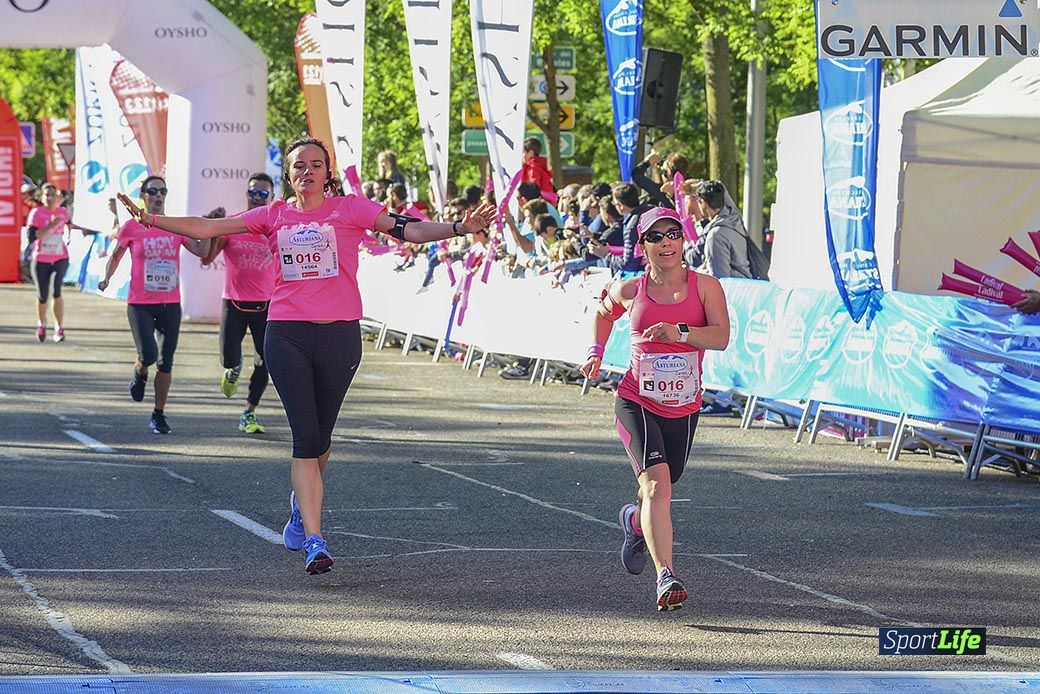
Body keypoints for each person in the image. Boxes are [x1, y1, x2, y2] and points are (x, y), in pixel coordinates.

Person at [116, 137, 495, 576]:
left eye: (316, 164)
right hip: (287, 333)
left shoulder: (351, 209)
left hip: (340, 335)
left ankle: (299, 510)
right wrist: (152, 218)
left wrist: (460, 229)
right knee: (304, 437)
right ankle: (315, 540)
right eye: (299, 165)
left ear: (327, 172)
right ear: (289, 175)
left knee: (322, 439)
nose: (307, 171)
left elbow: (408, 228)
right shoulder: (273, 215)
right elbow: (206, 229)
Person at [579, 207, 730, 612]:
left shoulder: (706, 288)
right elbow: (602, 311)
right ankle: (666, 576)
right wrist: (595, 353)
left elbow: (720, 337)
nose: (666, 242)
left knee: (663, 485)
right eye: (656, 237)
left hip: (682, 405)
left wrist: (679, 332)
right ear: (643, 246)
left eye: (672, 234)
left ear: (683, 240)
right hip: (636, 399)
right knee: (657, 486)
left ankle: (633, 521)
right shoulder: (631, 290)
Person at [98, 176, 209, 434]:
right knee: (148, 354)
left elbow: (202, 251)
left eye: (163, 192)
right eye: (153, 191)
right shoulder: (131, 227)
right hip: (140, 304)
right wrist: (106, 278)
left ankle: (158, 414)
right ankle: (140, 369)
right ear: (143, 195)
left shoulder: (174, 226)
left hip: (170, 304)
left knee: (165, 361)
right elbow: (116, 255)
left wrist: (213, 229)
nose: (158, 196)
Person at [200, 173, 277, 435]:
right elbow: (207, 259)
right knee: (228, 359)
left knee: (266, 361)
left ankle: (249, 412)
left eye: (262, 194)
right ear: (246, 195)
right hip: (233, 304)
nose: (257, 198)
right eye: (252, 193)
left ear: (272, 197)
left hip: (266, 307)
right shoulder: (233, 224)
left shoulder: (276, 228)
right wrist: (212, 227)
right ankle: (233, 369)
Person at [25, 184, 71, 342]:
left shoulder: (63, 212)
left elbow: (70, 224)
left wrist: (70, 233)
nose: (50, 197)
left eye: (53, 194)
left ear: (58, 197)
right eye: (47, 195)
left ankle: (59, 328)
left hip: (60, 257)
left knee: (57, 290)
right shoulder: (36, 213)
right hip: (41, 259)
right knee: (43, 294)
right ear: (42, 197)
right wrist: (51, 225)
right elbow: (32, 237)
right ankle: (42, 323)